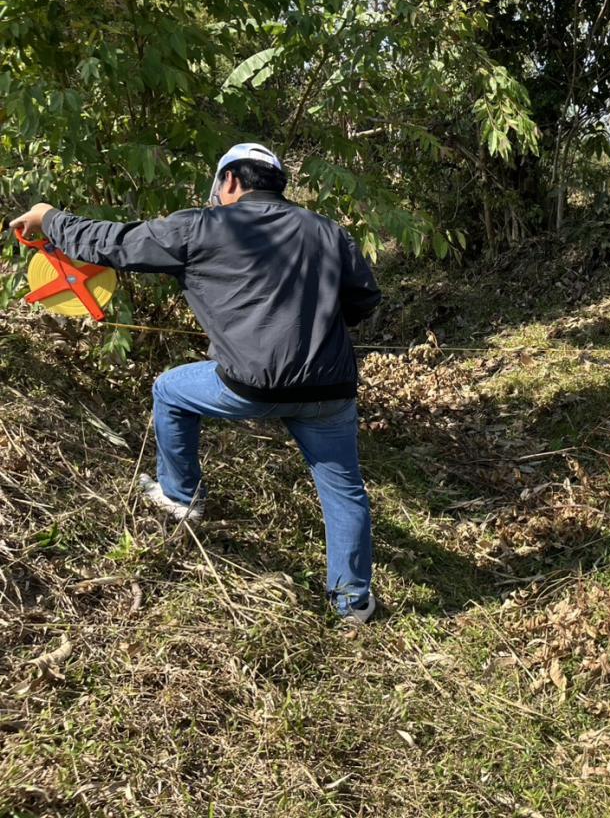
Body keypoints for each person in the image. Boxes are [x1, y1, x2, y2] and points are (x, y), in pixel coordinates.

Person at [8, 144, 383, 624]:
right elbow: (364, 298)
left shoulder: (202, 227)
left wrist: (49, 216)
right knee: (345, 489)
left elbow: (114, 243)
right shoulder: (328, 230)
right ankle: (352, 603)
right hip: (331, 390)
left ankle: (180, 497)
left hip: (250, 387)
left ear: (230, 181)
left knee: (170, 389)